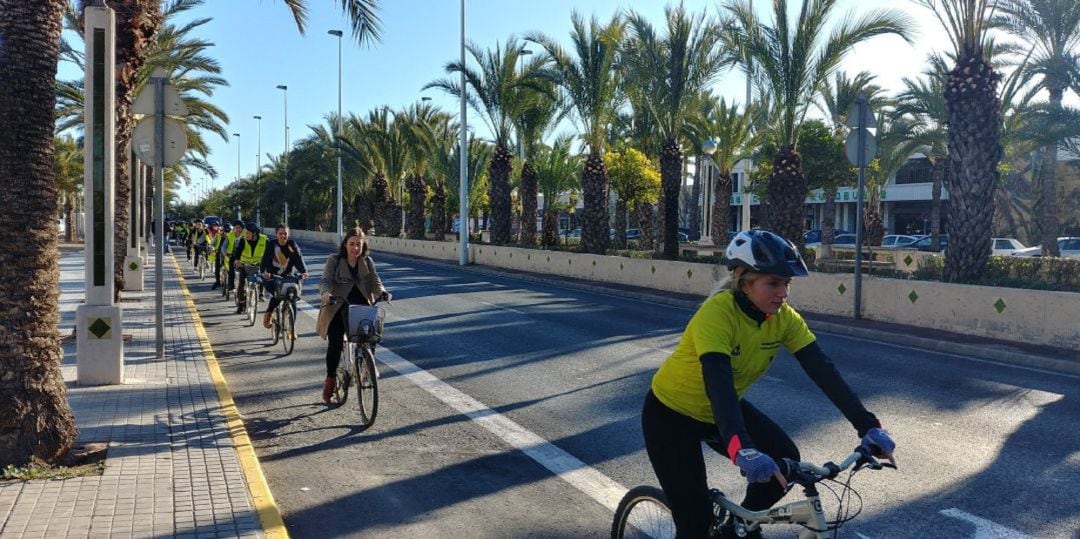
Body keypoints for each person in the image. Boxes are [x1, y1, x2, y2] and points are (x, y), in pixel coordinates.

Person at [642, 230, 896, 539]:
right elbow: (718, 383)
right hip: (671, 417)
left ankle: (738, 528)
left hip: (720, 412)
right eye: (773, 283)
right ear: (744, 282)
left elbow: (823, 371)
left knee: (783, 462)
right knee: (694, 523)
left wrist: (868, 425)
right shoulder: (717, 313)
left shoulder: (783, 319)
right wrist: (742, 449)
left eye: (786, 283)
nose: (783, 293)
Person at [315, 227, 391, 404]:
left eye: (358, 244)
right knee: (335, 344)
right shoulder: (334, 260)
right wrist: (325, 293)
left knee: (370, 336)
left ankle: (366, 369)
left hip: (360, 307)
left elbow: (375, 281)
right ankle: (330, 381)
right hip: (337, 306)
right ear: (345, 244)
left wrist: (384, 292)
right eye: (352, 244)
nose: (355, 248)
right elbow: (325, 279)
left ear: (363, 245)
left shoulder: (367, 261)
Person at [259, 224, 308, 328]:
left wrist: (303, 271)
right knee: (278, 294)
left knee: (293, 299)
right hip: (272, 276)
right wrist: (265, 272)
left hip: (288, 277)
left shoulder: (292, 245)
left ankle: (291, 328)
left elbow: (298, 258)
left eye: (285, 233)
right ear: (276, 234)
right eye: (280, 233)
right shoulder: (272, 245)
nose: (283, 236)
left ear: (288, 234)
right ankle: (269, 313)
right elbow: (265, 260)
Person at [231, 222, 269, 315]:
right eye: (245, 232)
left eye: (248, 233)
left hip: (258, 264)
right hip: (244, 264)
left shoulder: (264, 240)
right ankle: (241, 305)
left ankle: (261, 293)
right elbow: (238, 251)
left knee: (263, 276)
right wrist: (237, 260)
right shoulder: (243, 240)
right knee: (241, 285)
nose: (245, 234)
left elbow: (269, 253)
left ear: (254, 233)